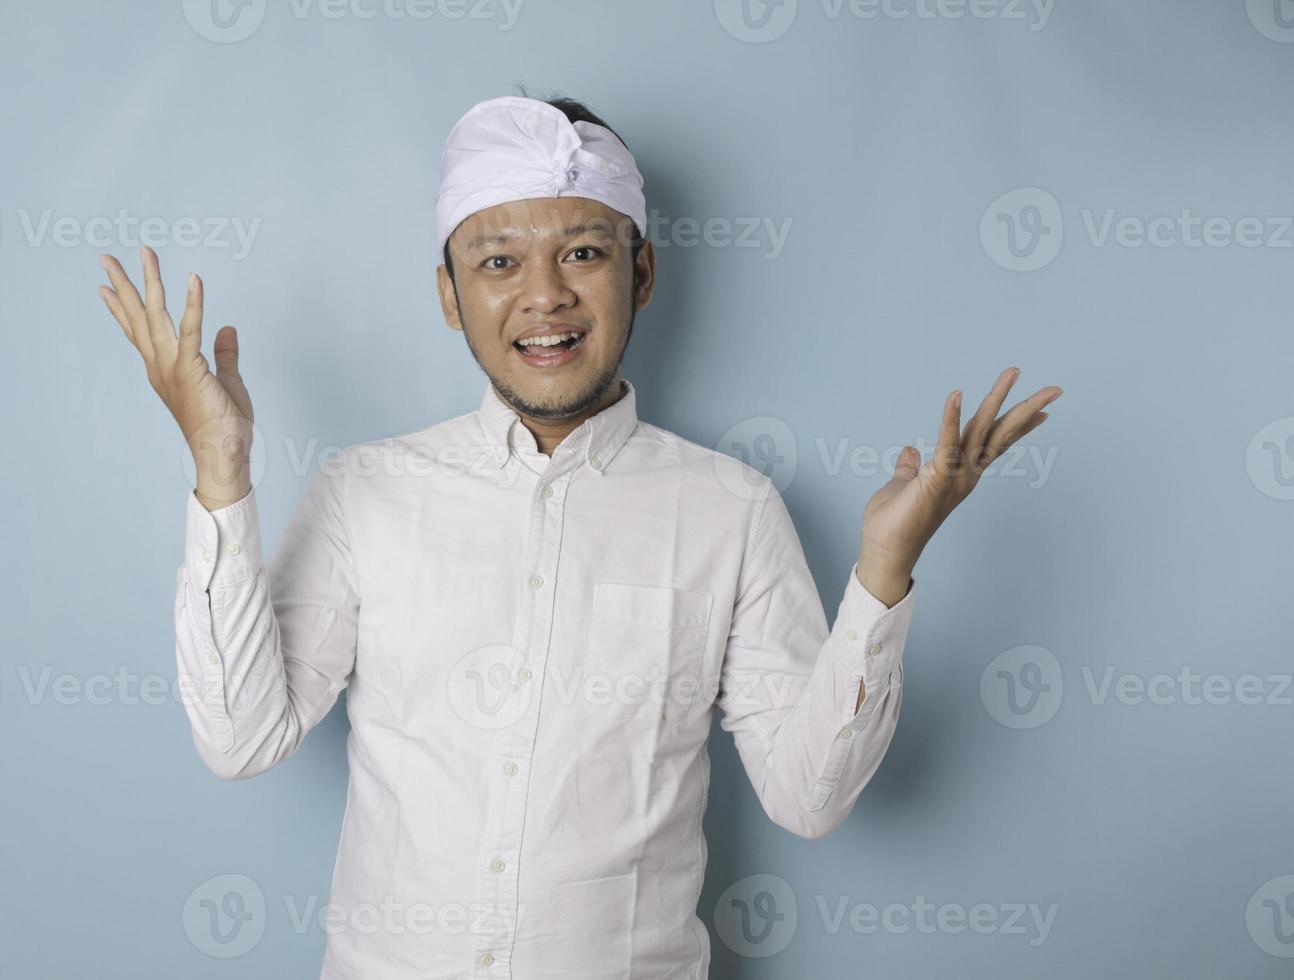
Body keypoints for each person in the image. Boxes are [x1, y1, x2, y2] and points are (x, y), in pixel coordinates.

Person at [96, 93, 1061, 979]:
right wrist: (220, 473)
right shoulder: (366, 494)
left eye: (585, 253)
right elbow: (240, 737)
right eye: (499, 260)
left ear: (641, 275)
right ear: (448, 294)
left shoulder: (731, 509)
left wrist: (885, 572)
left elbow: (810, 800)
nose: (546, 294)